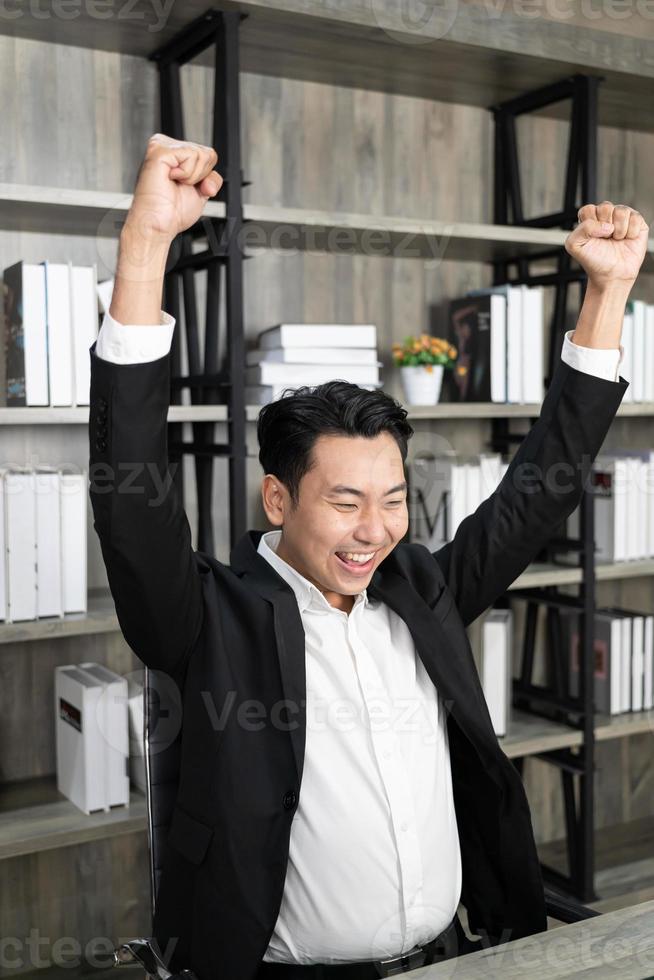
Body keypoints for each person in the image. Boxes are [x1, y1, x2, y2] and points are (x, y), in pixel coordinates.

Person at [89, 133, 647, 980]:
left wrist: (606, 294)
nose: (374, 530)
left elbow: (543, 489)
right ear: (278, 500)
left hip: (449, 960)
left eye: (390, 501)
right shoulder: (206, 621)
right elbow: (132, 501)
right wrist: (146, 248)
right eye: (344, 503)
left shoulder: (421, 588)